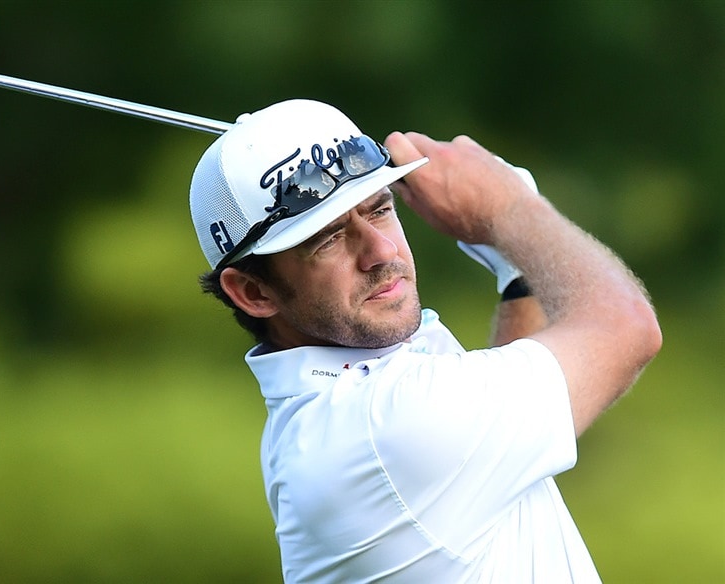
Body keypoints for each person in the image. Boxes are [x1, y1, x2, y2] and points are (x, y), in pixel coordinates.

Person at [188, 100, 661, 583]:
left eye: (379, 210)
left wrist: (517, 271)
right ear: (253, 291)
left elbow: (500, 467)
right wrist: (512, 208)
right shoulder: (385, 426)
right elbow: (626, 327)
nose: (381, 250)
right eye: (327, 239)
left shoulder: (355, 394)